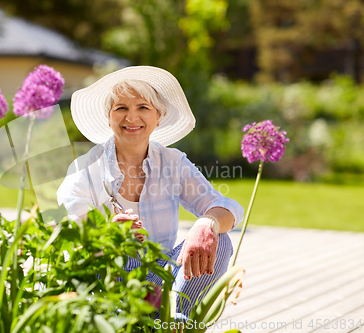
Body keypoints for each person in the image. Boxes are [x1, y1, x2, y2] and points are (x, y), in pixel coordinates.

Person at [57, 66, 244, 320]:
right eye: (121, 108)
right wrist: (106, 231)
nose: (131, 118)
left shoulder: (172, 162)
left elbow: (227, 208)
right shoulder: (86, 168)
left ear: (159, 117)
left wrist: (207, 223)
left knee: (218, 239)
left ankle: (179, 321)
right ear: (109, 117)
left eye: (143, 107)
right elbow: (67, 221)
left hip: (162, 274)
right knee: (115, 252)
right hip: (111, 278)